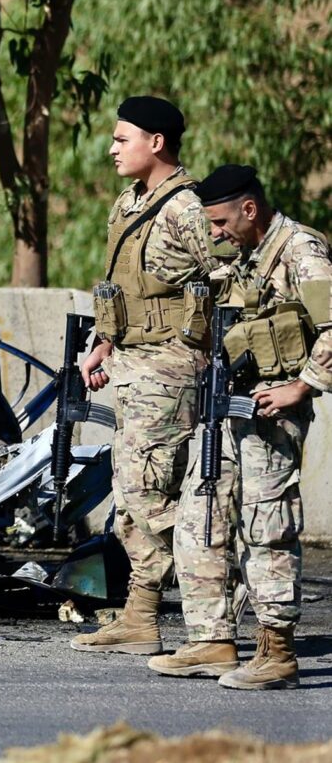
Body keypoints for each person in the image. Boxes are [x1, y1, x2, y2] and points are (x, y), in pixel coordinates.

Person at [150, 164, 332, 689]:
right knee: (199, 518)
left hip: (273, 414)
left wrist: (303, 386)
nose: (214, 234)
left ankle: (277, 653)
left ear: (249, 208)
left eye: (220, 221)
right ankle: (211, 640)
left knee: (267, 527)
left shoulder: (300, 252)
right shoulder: (246, 258)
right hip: (230, 410)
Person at [70, 96, 223, 655]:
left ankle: (217, 595)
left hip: (171, 369)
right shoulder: (128, 202)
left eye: (121, 139)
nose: (111, 149)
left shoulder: (188, 209)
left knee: (147, 493)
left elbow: (231, 281)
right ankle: (140, 618)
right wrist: (101, 344)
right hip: (131, 364)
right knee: (130, 496)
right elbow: (125, 290)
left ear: (156, 143)